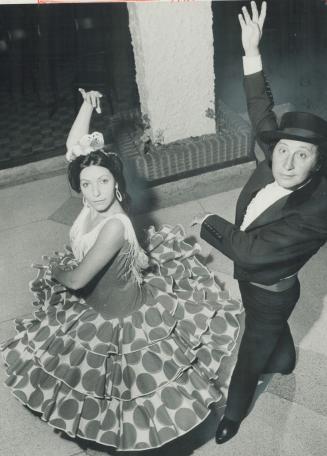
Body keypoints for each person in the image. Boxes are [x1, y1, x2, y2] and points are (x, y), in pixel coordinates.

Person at [1, 89, 242, 451]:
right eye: (86, 184)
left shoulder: (114, 226)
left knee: (133, 392)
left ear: (118, 183)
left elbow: (79, 279)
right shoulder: (90, 198)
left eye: (104, 182)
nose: (96, 192)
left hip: (122, 316)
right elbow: (74, 148)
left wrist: (56, 273)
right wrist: (85, 106)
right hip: (102, 297)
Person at [193, 0, 327, 445]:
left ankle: (233, 415)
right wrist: (252, 51)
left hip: (272, 289)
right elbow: (260, 107)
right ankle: (286, 357)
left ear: (317, 163)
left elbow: (249, 250)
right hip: (254, 285)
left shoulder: (316, 212)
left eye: (301, 155)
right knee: (267, 328)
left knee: (250, 353)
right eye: (283, 149)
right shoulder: (275, 155)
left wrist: (208, 221)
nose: (286, 162)